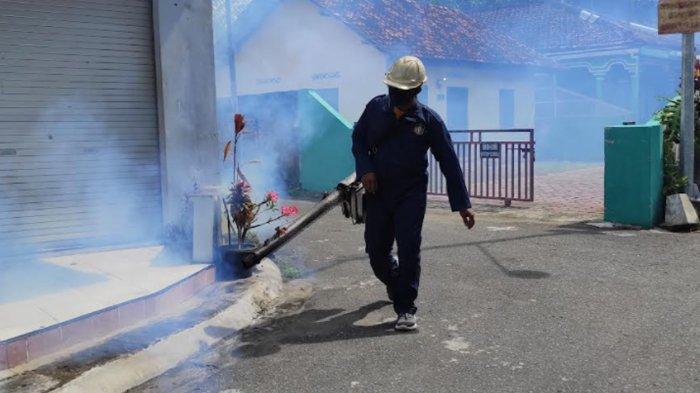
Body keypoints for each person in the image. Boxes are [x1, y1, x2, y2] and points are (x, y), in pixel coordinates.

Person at [351, 55, 476, 332]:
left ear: (417, 90)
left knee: (409, 248)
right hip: (378, 191)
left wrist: (463, 205)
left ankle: (406, 307)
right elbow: (358, 139)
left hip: (410, 193)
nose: (398, 96)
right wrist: (366, 169)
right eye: (394, 90)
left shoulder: (429, 121)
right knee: (375, 251)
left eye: (404, 92)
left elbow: (449, 161)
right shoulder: (375, 108)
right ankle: (396, 283)